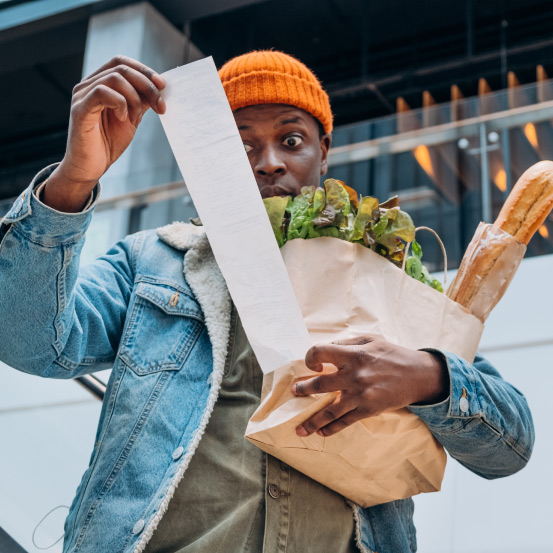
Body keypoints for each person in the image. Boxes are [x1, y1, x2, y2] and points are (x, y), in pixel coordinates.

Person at [0, 51, 534, 553]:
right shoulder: (152, 262)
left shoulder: (386, 279)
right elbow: (27, 343)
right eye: (241, 144)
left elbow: (510, 447)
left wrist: (425, 376)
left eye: (293, 140)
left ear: (323, 154)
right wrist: (73, 179)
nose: (269, 163)